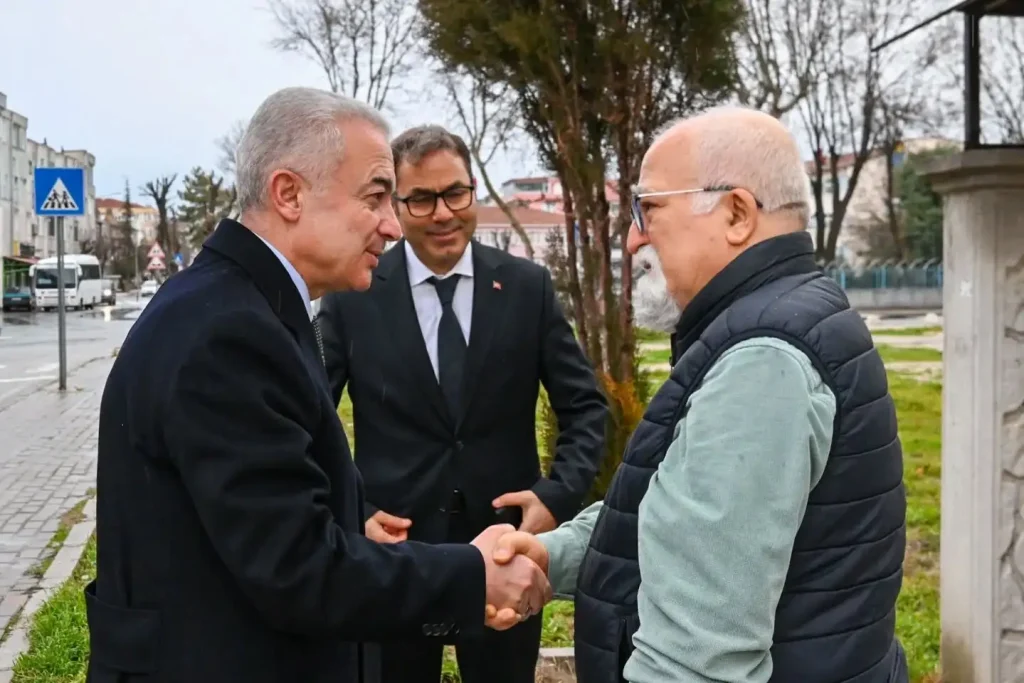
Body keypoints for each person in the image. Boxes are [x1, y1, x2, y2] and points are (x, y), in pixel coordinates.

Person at [84, 87, 550, 683]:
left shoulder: (242, 307)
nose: (391, 225)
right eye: (376, 196)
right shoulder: (230, 333)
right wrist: (470, 574)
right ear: (289, 194)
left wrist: (358, 525)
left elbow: (256, 522)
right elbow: (296, 569)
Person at [495, 106, 908, 682]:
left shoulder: (762, 360)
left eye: (649, 208)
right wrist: (552, 553)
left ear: (736, 213)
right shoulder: (786, 316)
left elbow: (698, 659)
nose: (635, 235)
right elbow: (674, 518)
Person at [317, 124, 608, 683]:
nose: (443, 212)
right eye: (422, 199)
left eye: (455, 192)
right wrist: (355, 509)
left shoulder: (527, 288)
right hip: (395, 556)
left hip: (506, 550)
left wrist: (553, 496)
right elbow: (312, 419)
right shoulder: (354, 294)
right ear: (396, 206)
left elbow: (585, 408)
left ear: (473, 189)